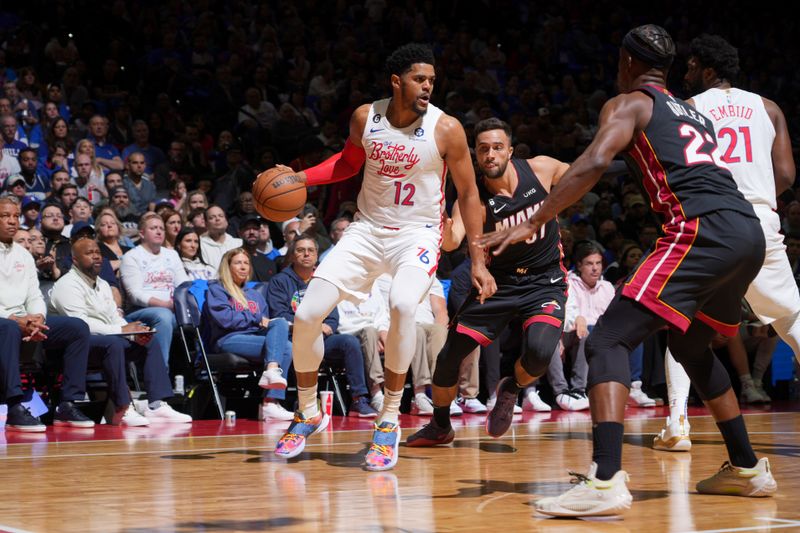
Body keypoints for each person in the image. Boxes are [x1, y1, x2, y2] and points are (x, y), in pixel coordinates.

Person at [477, 25, 774, 516]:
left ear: (627, 63)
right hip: (747, 232)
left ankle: (605, 480)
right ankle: (746, 468)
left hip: (701, 229)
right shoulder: (694, 113)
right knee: (692, 347)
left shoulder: (629, 104)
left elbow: (595, 160)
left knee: (606, 341)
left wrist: (535, 218)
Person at [271, 43, 495, 471]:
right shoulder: (365, 117)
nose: (428, 85)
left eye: (431, 79)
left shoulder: (446, 129)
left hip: (418, 234)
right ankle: (306, 411)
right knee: (305, 315)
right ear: (397, 82)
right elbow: (346, 165)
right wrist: (301, 177)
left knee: (402, 304)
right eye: (419, 78)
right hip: (366, 230)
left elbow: (468, 193)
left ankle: (389, 419)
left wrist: (477, 257)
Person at [656, 33, 800, 453]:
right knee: (790, 319)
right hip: (760, 222)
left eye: (690, 66)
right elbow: (787, 175)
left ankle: (678, 424)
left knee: (681, 319)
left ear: (707, 67)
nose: (686, 74)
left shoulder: (690, 108)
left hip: (712, 220)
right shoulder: (768, 108)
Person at [406, 117, 568, 446]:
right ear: (476, 157)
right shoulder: (474, 197)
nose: (490, 155)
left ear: (510, 150)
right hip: (497, 283)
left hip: (543, 281)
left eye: (496, 148)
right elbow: (453, 242)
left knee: (538, 354)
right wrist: (443, 226)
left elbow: (585, 174)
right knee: (449, 358)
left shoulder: (542, 170)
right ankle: (440, 425)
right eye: (483, 150)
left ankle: (511, 387)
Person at [49, 237, 192, 426]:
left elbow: (113, 317)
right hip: (76, 346)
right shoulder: (66, 285)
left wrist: (134, 332)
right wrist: (121, 330)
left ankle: (157, 405)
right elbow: (80, 325)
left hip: (105, 337)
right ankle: (122, 408)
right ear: (75, 259)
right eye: (89, 253)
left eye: (98, 253)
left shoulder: (102, 284)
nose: (96, 257)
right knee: (113, 344)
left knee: (148, 339)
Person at [0, 197, 94, 430]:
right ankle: (13, 406)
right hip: (6, 321)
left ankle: (66, 404)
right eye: (5, 216)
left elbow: (34, 294)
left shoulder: (22, 254)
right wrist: (15, 319)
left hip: (25, 319)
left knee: (77, 328)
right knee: (9, 328)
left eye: (15, 216)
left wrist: (38, 318)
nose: (12, 221)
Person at [201, 248, 294, 421]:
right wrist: (257, 319)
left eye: (246, 263)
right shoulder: (217, 290)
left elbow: (265, 321)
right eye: (237, 263)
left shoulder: (254, 295)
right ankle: (271, 387)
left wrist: (267, 324)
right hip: (227, 338)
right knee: (282, 343)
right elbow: (225, 320)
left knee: (284, 334)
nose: (243, 267)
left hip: (252, 336)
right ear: (227, 267)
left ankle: (270, 403)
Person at [120, 212, 188, 366]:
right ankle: (160, 373)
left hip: (173, 309)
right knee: (163, 316)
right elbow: (135, 295)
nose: (159, 231)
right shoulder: (132, 256)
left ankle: (201, 372)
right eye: (153, 228)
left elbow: (183, 285)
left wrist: (180, 303)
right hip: (140, 311)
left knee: (202, 315)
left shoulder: (172, 254)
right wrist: (165, 305)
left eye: (161, 228)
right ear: (142, 233)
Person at [199, 205, 242, 270]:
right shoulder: (200, 245)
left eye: (221, 216)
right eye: (212, 217)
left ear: (226, 221)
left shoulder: (239, 244)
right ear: (206, 224)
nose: (217, 219)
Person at [237, 213, 278, 282]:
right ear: (240, 233)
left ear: (259, 232)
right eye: (247, 228)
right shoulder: (231, 258)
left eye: (255, 228)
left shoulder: (269, 262)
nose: (252, 232)